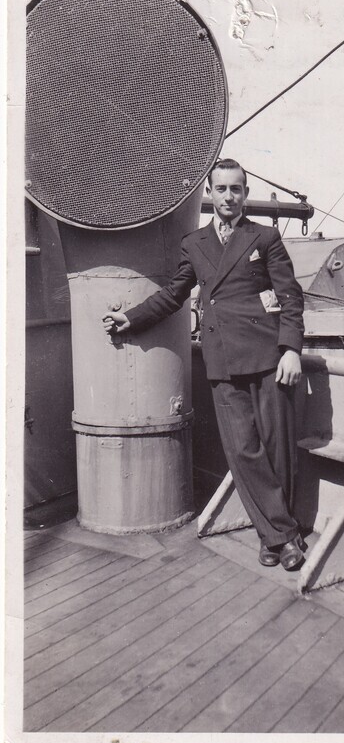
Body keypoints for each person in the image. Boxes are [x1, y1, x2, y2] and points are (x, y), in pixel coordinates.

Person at [103, 159, 305, 570]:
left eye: (237, 189)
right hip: (223, 361)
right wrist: (133, 318)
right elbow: (175, 294)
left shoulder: (265, 237)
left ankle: (273, 537)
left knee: (277, 450)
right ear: (210, 194)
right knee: (244, 453)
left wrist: (291, 349)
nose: (229, 197)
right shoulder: (194, 243)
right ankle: (283, 536)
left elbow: (290, 297)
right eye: (221, 189)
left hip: (268, 358)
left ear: (245, 194)